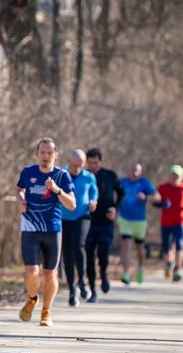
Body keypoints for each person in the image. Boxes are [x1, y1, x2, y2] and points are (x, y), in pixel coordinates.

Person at [16, 138, 76, 327]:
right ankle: (33, 298)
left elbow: (72, 205)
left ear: (56, 155)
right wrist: (20, 200)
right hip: (30, 228)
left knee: (50, 274)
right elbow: (19, 188)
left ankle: (46, 311)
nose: (46, 156)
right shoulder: (28, 172)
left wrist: (57, 190)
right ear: (37, 154)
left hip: (53, 229)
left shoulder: (62, 176)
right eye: (42, 152)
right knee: (31, 271)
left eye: (50, 153)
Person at [61, 149, 98, 306]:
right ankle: (72, 288)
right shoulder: (61, 174)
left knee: (78, 245)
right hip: (64, 218)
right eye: (74, 165)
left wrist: (93, 202)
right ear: (68, 161)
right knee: (67, 252)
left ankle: (82, 281)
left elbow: (94, 192)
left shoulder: (89, 176)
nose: (77, 168)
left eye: (80, 165)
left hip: (82, 216)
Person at [84, 148, 122, 302]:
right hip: (88, 221)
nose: (93, 165)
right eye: (90, 163)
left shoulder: (110, 175)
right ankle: (93, 289)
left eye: (95, 162)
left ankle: (104, 274)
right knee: (89, 256)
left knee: (103, 253)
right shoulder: (84, 176)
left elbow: (121, 193)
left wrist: (115, 208)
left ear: (100, 161)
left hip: (106, 222)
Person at [117, 162, 159, 284]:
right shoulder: (122, 182)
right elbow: (114, 194)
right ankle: (126, 273)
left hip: (140, 221)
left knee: (140, 248)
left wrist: (146, 197)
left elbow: (157, 197)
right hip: (124, 219)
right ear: (128, 170)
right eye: (133, 170)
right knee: (126, 246)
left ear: (140, 172)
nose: (135, 173)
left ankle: (140, 267)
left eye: (137, 171)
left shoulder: (144, 183)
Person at [155, 165, 183, 282]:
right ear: (170, 175)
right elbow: (155, 202)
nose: (175, 177)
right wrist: (162, 204)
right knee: (167, 247)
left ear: (181, 176)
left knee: (179, 244)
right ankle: (169, 262)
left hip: (180, 221)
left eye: (177, 175)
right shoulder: (163, 187)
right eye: (173, 175)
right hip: (166, 222)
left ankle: (177, 269)